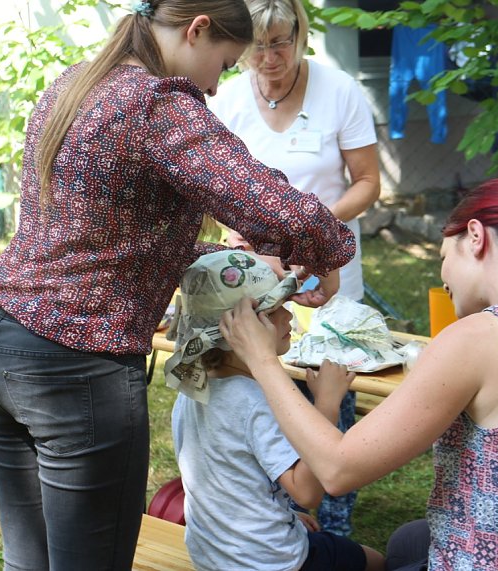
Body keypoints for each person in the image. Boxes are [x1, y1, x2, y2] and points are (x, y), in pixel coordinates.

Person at [0, 1, 356, 569]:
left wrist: (227, 254)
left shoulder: (76, 84)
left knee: (31, 559)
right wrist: (328, 251)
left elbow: (104, 243)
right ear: (196, 32)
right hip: (73, 364)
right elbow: (265, 199)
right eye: (222, 65)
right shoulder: (155, 102)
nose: (217, 89)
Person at [220, 178, 498, 570]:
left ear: (475, 236)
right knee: (408, 541)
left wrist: (261, 360)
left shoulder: (480, 337)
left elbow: (337, 469)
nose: (443, 277)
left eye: (443, 257)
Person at [208, 0, 380, 536]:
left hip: (325, 281)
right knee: (258, 391)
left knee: (330, 392)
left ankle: (332, 525)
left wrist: (306, 226)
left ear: (301, 33)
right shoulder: (229, 97)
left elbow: (368, 184)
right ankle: (275, 522)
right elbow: (211, 188)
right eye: (257, 45)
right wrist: (239, 229)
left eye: (280, 41)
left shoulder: (340, 91)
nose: (268, 57)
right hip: (256, 283)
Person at [167, 250, 384, 571]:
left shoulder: (192, 390)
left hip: (214, 555)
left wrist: (283, 513)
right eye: (272, 311)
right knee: (377, 561)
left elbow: (226, 480)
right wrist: (327, 402)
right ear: (235, 332)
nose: (288, 317)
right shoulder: (255, 400)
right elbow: (309, 491)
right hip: (270, 562)